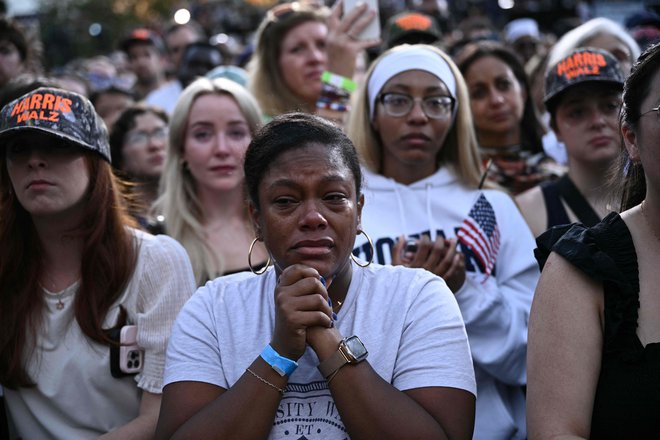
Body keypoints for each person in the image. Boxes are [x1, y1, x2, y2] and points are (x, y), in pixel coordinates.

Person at [154, 112, 477, 439]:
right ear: (256, 218)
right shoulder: (212, 308)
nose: (313, 217)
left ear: (359, 210)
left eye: (334, 197)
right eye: (285, 201)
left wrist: (327, 339)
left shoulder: (419, 298)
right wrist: (278, 353)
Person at [345, 44, 539, 440]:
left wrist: (461, 290)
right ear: (372, 113)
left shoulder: (490, 207)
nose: (418, 116)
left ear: (455, 115)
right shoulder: (340, 205)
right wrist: (393, 292)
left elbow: (531, 352)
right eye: (398, 100)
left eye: (436, 102)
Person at [0, 87, 196, 439]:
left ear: (96, 159)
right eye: (18, 149)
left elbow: (165, 415)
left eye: (57, 144)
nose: (35, 160)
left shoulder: (155, 261)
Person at [527, 41, 660, 439]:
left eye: (606, 104)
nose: (595, 121)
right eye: (577, 111)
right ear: (632, 138)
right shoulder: (579, 266)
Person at [151, 77, 268, 285]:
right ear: (181, 149)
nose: (221, 149)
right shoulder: (155, 242)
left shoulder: (284, 225)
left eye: (236, 132)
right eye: (203, 134)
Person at [516, 48, 624, 237]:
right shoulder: (527, 212)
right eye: (577, 112)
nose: (597, 121)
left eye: (610, 106)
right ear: (555, 128)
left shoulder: (653, 194)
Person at [456, 40, 560, 195]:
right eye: (479, 93)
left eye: (504, 85)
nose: (496, 100)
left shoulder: (560, 175)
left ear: (523, 92)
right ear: (463, 105)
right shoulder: (459, 182)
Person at [247, 0, 379, 120]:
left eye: (323, 45)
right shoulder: (259, 127)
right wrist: (338, 83)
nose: (315, 58)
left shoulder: (368, 119)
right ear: (272, 67)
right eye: (297, 49)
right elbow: (326, 144)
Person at [109, 103, 169, 228]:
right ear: (121, 158)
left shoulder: (202, 205)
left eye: (160, 133)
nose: (155, 145)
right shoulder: (115, 222)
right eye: (139, 138)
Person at [146, 41, 224, 115]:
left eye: (208, 67)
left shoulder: (227, 102)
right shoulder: (157, 101)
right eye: (194, 65)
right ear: (182, 65)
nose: (200, 71)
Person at [120, 28, 168, 100]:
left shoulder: (177, 95)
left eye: (147, 55)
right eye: (134, 57)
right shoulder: (125, 100)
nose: (140, 62)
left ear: (162, 60)